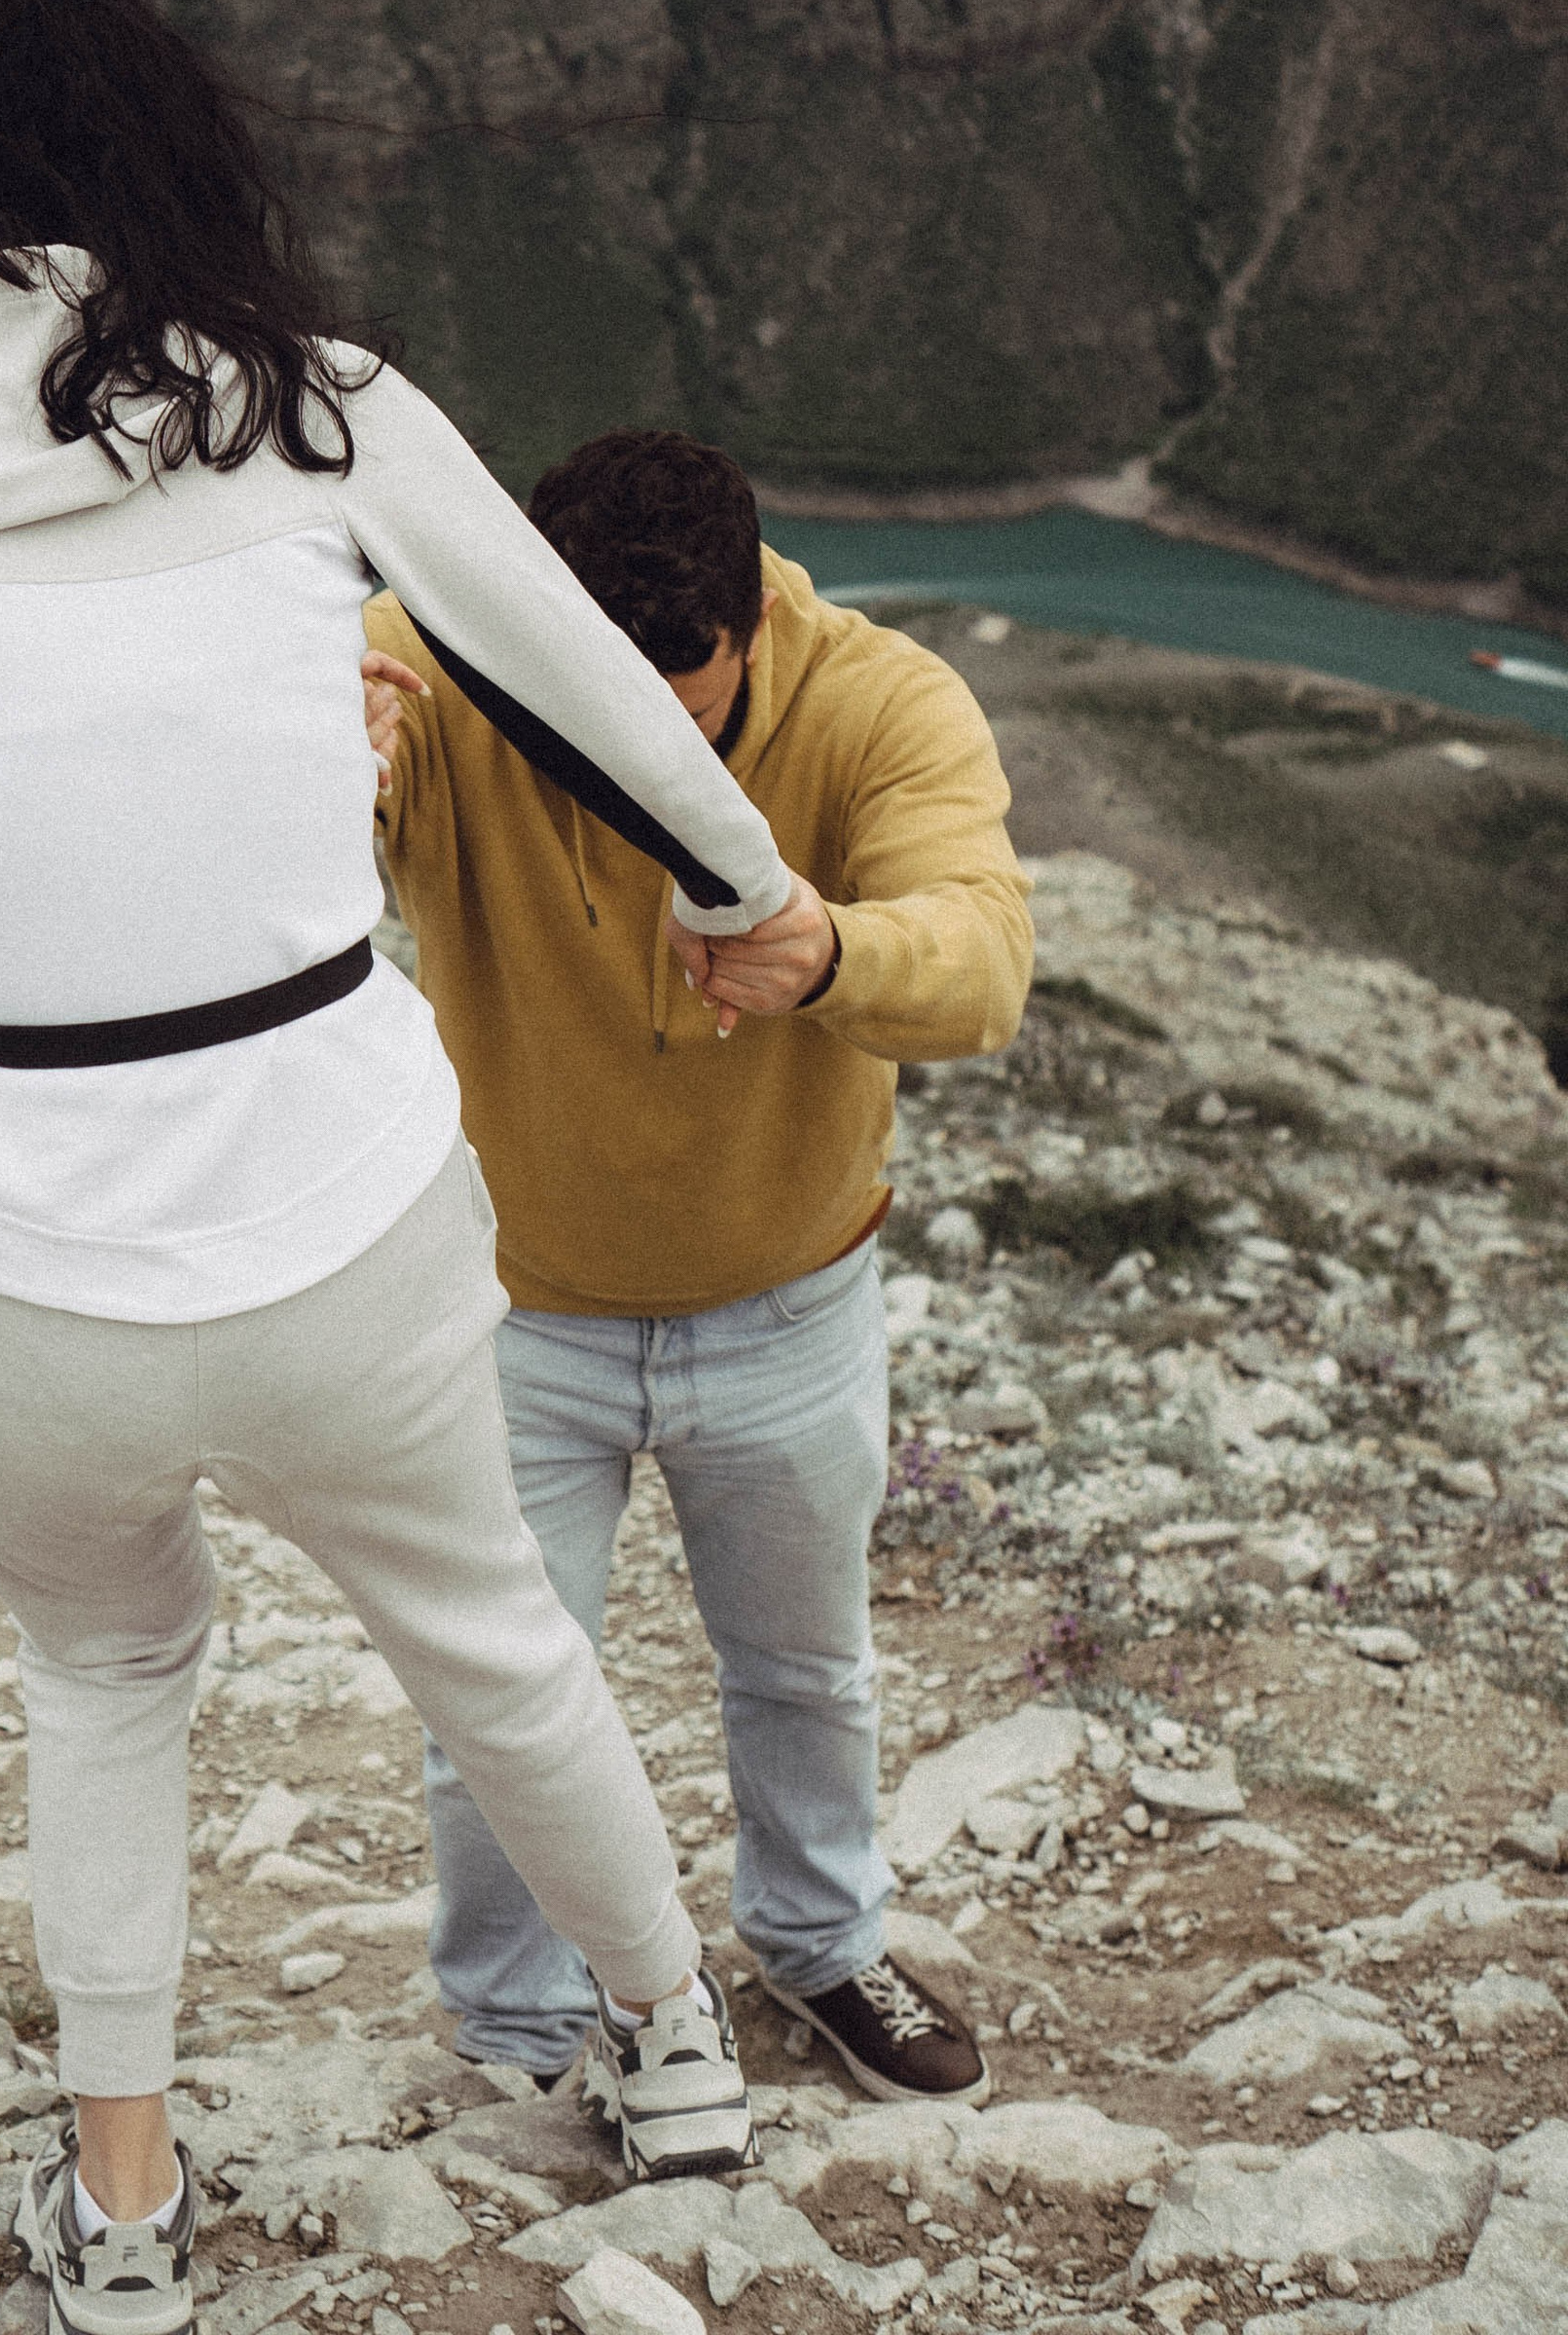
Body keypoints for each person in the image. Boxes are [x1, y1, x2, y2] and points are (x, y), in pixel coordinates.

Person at [0, 0, 828, 2335]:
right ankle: (667, 2050)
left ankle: (122, 2218)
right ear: (171, 154)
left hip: (6, 1241)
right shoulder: (317, 413)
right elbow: (584, 692)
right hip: (331, 1208)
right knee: (493, 1645)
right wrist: (756, 903)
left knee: (102, 1684)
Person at [365, 429, 1033, 2107]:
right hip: (519, 1311)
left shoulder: (884, 703)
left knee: (805, 1668)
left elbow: (984, 960)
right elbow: (302, 771)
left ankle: (820, 1948)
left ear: (749, 630)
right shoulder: (437, 668)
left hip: (792, 1300)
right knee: (497, 1698)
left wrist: (834, 952)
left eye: (677, 709)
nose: (628, 758)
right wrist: (326, 749)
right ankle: (516, 2025)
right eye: (587, 709)